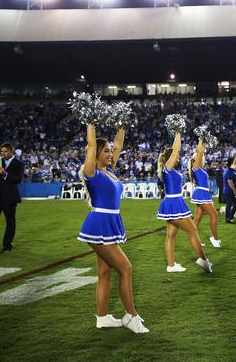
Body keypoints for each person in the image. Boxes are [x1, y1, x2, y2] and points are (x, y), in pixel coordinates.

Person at [76, 124, 148, 333]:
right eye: (105, 150)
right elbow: (91, 144)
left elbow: (118, 144)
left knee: (105, 273)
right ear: (95, 154)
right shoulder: (92, 173)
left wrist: (122, 125)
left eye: (110, 150)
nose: (111, 153)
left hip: (109, 225)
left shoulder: (108, 171)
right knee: (126, 268)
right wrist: (90, 124)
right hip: (98, 225)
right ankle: (131, 316)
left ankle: (102, 317)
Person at [157, 132, 213, 273]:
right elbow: (176, 150)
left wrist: (202, 140)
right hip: (174, 203)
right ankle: (203, 260)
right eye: (175, 157)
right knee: (193, 230)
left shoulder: (169, 170)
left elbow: (195, 152)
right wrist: (178, 132)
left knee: (171, 235)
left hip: (173, 202)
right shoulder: (167, 168)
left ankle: (171, 265)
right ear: (171, 158)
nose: (178, 159)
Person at [189, 139, 221, 248]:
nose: (203, 159)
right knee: (214, 215)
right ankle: (215, 239)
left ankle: (194, 241)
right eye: (202, 158)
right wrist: (201, 140)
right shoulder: (196, 167)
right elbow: (199, 152)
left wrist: (204, 143)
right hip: (202, 193)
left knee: (197, 220)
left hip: (203, 193)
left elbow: (201, 152)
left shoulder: (200, 169)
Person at [223, 156, 236, 224]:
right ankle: (229, 218)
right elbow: (230, 182)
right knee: (231, 204)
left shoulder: (230, 170)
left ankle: (230, 217)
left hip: (228, 190)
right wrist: (234, 191)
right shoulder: (230, 171)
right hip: (230, 190)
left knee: (233, 204)